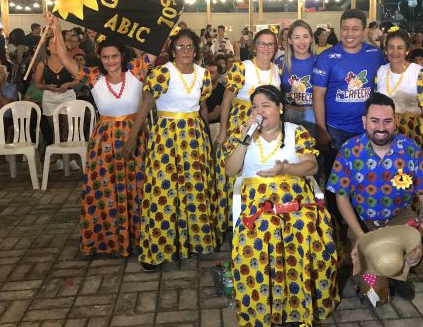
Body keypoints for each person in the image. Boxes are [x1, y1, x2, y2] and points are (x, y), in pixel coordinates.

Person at [225, 85, 339, 326]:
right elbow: (230, 170)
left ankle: (298, 306)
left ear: (280, 108)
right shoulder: (243, 133)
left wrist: (285, 168)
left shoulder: (296, 132)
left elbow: (311, 166)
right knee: (263, 228)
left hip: (293, 194)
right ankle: (265, 307)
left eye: (265, 106)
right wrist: (244, 141)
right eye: (254, 107)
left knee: (304, 224)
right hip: (257, 199)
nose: (259, 112)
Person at [49, 14, 151, 256]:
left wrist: (163, 20)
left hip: (134, 137)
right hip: (103, 142)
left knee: (138, 187)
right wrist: (56, 28)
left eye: (114, 56)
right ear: (100, 58)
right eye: (105, 57)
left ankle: (138, 238)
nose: (110, 61)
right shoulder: (94, 76)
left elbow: (153, 49)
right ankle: (109, 240)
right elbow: (64, 58)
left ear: (122, 56)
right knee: (106, 190)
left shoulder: (137, 71)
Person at [327, 92, 423, 301]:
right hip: (365, 224)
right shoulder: (349, 150)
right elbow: (341, 197)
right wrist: (360, 236)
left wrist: (418, 238)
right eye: (375, 121)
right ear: (364, 122)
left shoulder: (409, 148)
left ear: (395, 121)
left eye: (387, 121)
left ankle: (398, 273)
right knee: (375, 298)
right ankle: (382, 274)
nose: (381, 127)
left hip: (401, 219)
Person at [123, 29, 218, 270]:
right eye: (180, 47)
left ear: (196, 51)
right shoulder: (162, 73)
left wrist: (207, 136)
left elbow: (202, 107)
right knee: (163, 191)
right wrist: (132, 137)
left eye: (189, 47)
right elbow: (146, 105)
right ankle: (156, 250)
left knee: (194, 189)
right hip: (166, 138)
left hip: (194, 138)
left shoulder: (203, 75)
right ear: (172, 50)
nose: (185, 51)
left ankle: (195, 243)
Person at [376, 29, 423, 255]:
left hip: (414, 136)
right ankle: (397, 244)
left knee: (422, 185)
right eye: (391, 47)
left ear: (407, 50)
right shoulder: (380, 71)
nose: (395, 52)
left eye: (400, 47)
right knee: (392, 186)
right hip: (387, 136)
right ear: (385, 50)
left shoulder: (420, 73)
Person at [313, 9, 385, 223]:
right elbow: (318, 96)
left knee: (365, 178)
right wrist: (322, 129)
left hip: (365, 131)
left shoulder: (374, 54)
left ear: (364, 31)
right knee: (336, 181)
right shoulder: (327, 57)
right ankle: (337, 225)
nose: (349, 34)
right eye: (345, 28)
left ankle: (363, 224)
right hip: (335, 130)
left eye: (355, 29)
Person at [215, 29, 280, 232]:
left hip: (267, 128)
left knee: (257, 167)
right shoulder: (242, 68)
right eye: (262, 44)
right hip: (240, 124)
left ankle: (256, 215)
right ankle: (233, 221)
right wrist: (223, 131)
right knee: (236, 169)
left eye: (270, 44)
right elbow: (226, 101)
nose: (266, 48)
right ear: (254, 46)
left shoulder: (277, 70)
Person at [34, 36, 81, 170]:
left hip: (67, 95)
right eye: (52, 44)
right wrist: (48, 87)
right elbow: (37, 84)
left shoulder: (70, 62)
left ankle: (71, 158)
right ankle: (60, 157)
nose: (55, 46)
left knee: (69, 127)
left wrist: (68, 84)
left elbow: (78, 80)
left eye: (57, 43)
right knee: (56, 128)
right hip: (50, 97)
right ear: (48, 48)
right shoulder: (42, 64)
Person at [278, 20, 317, 137]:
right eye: (297, 37)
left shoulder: (320, 61)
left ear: (311, 39)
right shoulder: (281, 62)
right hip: (289, 113)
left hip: (313, 114)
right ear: (290, 40)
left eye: (305, 36)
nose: (302, 41)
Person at [0, 65, 17, 146]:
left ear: (6, 75)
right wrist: (0, 104)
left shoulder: (12, 87)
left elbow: (5, 104)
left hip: (5, 117)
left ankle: (0, 149)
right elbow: (4, 104)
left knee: (2, 125)